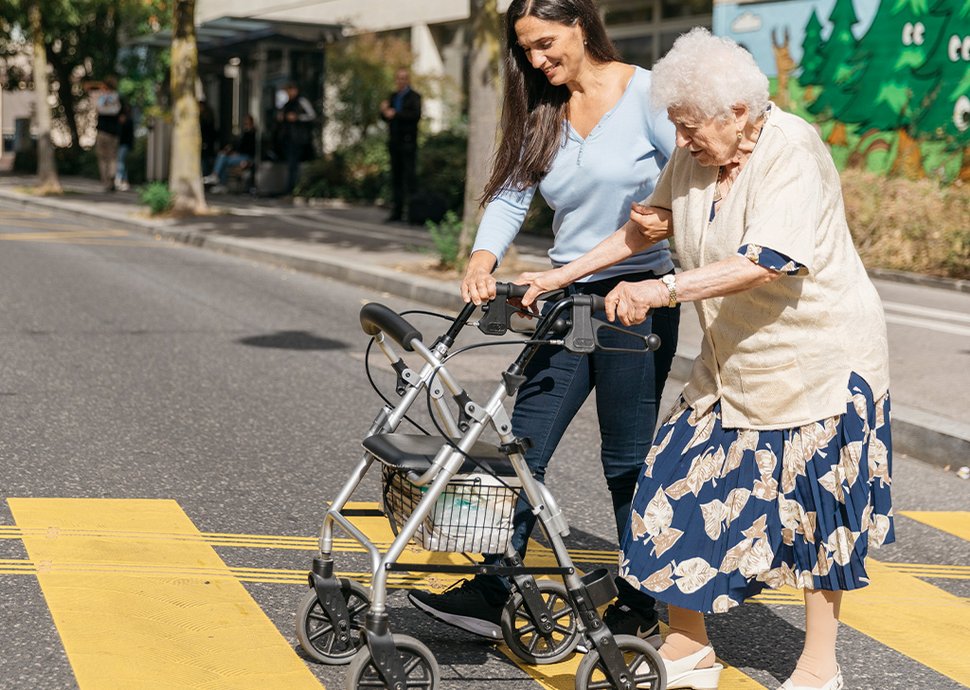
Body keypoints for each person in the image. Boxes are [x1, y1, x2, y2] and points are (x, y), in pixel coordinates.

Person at [518, 27, 893, 690]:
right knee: (669, 488)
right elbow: (644, 226)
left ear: (738, 114)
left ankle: (818, 667)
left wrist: (659, 288)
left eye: (689, 127)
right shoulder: (695, 156)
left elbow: (766, 261)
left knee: (816, 513)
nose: (681, 141)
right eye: (675, 125)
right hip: (731, 363)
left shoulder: (790, 149)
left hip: (818, 361)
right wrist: (558, 276)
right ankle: (688, 648)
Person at [408, 0, 679, 647]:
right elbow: (511, 192)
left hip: (632, 301)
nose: (536, 60)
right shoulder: (544, 106)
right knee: (523, 443)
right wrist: (481, 259)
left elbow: (691, 180)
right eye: (526, 49)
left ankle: (641, 600)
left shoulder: (645, 95)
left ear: (581, 27)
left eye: (546, 43)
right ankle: (494, 586)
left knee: (625, 457)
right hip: (565, 300)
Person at [379, 68, 422, 222]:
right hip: (394, 142)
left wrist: (396, 114)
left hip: (408, 142)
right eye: (398, 78)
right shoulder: (393, 96)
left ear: (408, 80)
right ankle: (396, 212)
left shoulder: (414, 97)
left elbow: (415, 115)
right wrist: (384, 111)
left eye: (404, 78)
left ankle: (412, 214)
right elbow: (385, 117)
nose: (401, 81)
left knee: (409, 178)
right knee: (396, 178)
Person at [276, 83, 316, 195]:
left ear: (295, 90)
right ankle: (290, 188)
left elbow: (312, 116)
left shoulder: (301, 101)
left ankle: (293, 189)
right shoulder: (286, 104)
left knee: (294, 164)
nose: (288, 94)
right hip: (287, 138)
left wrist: (297, 117)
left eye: (289, 91)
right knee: (290, 164)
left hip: (298, 138)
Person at [203, 114, 257, 189]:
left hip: (246, 156)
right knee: (223, 157)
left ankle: (216, 176)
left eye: (247, 123)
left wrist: (236, 153)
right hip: (240, 155)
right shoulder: (244, 133)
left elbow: (248, 148)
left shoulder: (252, 134)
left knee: (223, 157)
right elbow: (238, 145)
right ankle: (221, 183)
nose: (245, 124)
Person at [91, 76, 122, 192]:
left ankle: (106, 181)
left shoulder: (102, 97)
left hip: (103, 132)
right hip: (114, 133)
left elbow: (98, 108)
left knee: (102, 158)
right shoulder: (118, 98)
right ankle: (112, 175)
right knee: (113, 157)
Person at [115, 102, 135, 192]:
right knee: (121, 162)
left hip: (124, 144)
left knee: (120, 162)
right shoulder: (127, 121)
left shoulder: (128, 121)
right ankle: (124, 181)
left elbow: (126, 135)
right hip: (123, 144)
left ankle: (119, 180)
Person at [199, 98, 219, 177]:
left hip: (206, 141)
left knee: (205, 160)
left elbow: (207, 130)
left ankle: (206, 175)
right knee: (206, 160)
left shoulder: (205, 117)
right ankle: (206, 175)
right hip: (207, 141)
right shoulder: (208, 116)